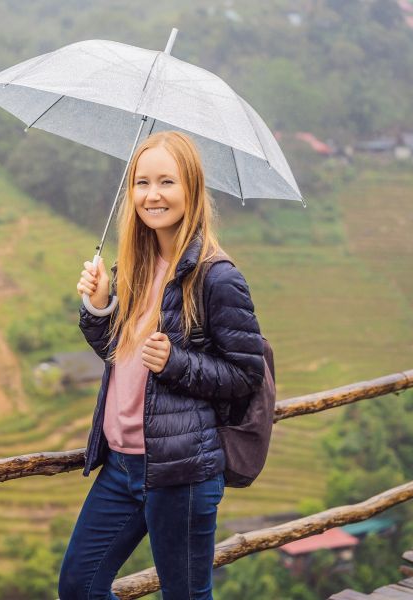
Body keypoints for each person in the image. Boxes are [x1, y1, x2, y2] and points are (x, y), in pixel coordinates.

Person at [58, 131, 265, 599]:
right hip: (121, 463)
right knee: (78, 586)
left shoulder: (218, 277)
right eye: (142, 182)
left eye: (166, 182)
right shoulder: (133, 265)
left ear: (191, 189)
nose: (152, 195)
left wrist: (176, 363)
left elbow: (246, 376)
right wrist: (100, 305)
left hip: (181, 471)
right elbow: (117, 352)